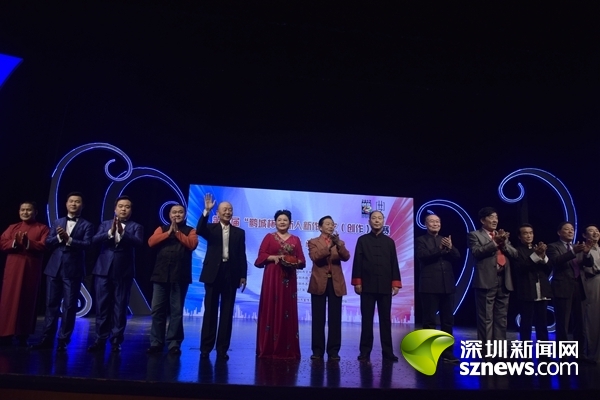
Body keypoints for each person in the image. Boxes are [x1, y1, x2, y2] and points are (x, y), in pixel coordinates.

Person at [32, 192, 94, 351]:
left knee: (69, 306)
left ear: (82, 205)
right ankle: (46, 339)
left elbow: (87, 244)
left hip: (73, 269)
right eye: (71, 201)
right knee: (50, 304)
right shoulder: (57, 222)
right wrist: (60, 238)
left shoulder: (87, 225)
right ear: (66, 204)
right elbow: (48, 242)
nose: (74, 204)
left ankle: (63, 340)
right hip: (54, 268)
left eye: (77, 201)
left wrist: (69, 240)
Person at [87, 195, 144, 353]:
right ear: (115, 209)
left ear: (131, 210)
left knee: (120, 308)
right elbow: (94, 240)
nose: (123, 209)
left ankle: (116, 340)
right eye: (121, 206)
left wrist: (123, 233)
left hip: (123, 271)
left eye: (127, 206)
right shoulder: (105, 224)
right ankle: (100, 339)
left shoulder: (136, 226)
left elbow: (138, 242)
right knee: (102, 306)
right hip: (103, 270)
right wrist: (110, 232)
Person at [197, 194, 247, 360]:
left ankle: (222, 349)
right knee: (210, 311)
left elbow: (241, 255)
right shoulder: (210, 228)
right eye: (224, 209)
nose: (228, 212)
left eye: (230, 209)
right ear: (217, 213)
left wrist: (243, 275)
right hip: (212, 273)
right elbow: (199, 229)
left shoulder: (239, 232)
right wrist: (206, 211)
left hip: (231, 274)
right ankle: (206, 348)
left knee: (227, 312)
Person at [147, 204, 198, 355]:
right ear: (169, 215)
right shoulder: (161, 229)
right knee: (157, 310)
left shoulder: (190, 230)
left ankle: (174, 343)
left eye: (180, 212)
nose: (177, 214)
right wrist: (168, 233)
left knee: (176, 311)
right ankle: (156, 342)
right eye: (174, 212)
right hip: (160, 275)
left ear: (184, 215)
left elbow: (192, 244)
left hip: (180, 275)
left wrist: (177, 233)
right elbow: (151, 242)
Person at [254, 209, 306, 359]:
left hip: (289, 278)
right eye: (279, 220)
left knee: (287, 309)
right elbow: (261, 256)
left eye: (285, 220)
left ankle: (287, 348)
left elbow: (302, 260)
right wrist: (273, 257)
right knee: (270, 306)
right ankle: (268, 348)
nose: (282, 222)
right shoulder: (269, 237)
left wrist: (291, 261)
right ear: (275, 222)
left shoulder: (295, 239)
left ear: (290, 223)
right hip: (272, 276)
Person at [351, 210, 402, 362]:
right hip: (367, 286)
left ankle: (388, 352)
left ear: (383, 221)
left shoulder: (389, 242)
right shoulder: (362, 240)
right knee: (367, 320)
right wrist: (357, 282)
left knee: (385, 320)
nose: (377, 220)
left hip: (385, 286)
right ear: (369, 221)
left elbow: (394, 263)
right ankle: (365, 352)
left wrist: (396, 283)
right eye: (374, 218)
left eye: (380, 218)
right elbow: (357, 262)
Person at [0, 201, 49, 347]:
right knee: (9, 300)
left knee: (27, 300)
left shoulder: (42, 228)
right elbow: (2, 242)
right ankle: (5, 334)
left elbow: (44, 245)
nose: (25, 212)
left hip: (31, 269)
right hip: (13, 269)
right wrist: (14, 243)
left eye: (28, 210)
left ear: (35, 212)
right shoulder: (12, 227)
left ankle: (23, 334)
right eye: (22, 210)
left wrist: (29, 243)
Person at [416, 214, 460, 364]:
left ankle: (447, 352)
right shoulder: (421, 240)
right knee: (429, 321)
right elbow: (422, 256)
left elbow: (457, 256)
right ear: (425, 224)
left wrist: (451, 247)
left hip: (447, 285)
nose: (435, 224)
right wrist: (440, 250)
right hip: (429, 286)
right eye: (432, 222)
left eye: (437, 221)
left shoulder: (445, 240)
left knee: (448, 321)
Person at [468, 207, 517, 342]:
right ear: (482, 220)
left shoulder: (502, 235)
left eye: (496, 217)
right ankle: (486, 349)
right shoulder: (474, 235)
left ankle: (499, 349)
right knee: (486, 318)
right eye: (491, 217)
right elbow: (476, 252)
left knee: (501, 317)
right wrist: (495, 242)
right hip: (486, 280)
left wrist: (503, 243)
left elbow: (515, 254)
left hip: (504, 280)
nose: (495, 220)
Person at [307, 215, 350, 361]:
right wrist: (329, 246)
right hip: (319, 282)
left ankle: (333, 351)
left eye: (332, 224)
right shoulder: (313, 242)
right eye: (327, 224)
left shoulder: (339, 242)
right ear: (320, 227)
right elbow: (315, 257)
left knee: (335, 318)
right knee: (318, 318)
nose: (331, 226)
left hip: (335, 283)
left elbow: (346, 257)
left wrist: (339, 245)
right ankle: (317, 351)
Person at [547, 221, 592, 352]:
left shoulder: (577, 246)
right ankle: (563, 354)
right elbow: (555, 261)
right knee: (563, 324)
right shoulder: (553, 246)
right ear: (559, 232)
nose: (571, 231)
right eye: (567, 229)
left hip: (578, 287)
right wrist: (573, 252)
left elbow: (588, 264)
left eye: (572, 229)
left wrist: (586, 253)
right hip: (562, 288)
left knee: (580, 322)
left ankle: (580, 353)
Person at [513, 223, 551, 343]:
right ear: (519, 236)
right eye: (525, 233)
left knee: (543, 323)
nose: (529, 236)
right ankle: (525, 351)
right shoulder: (517, 251)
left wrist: (543, 256)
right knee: (526, 323)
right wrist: (535, 255)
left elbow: (548, 269)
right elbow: (521, 268)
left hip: (542, 291)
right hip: (527, 291)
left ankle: (544, 351)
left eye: (531, 233)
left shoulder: (538, 248)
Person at [580, 224, 600, 363]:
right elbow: (588, 268)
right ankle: (591, 353)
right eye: (591, 231)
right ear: (584, 235)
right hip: (593, 283)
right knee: (593, 319)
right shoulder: (583, 249)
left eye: (597, 230)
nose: (595, 233)